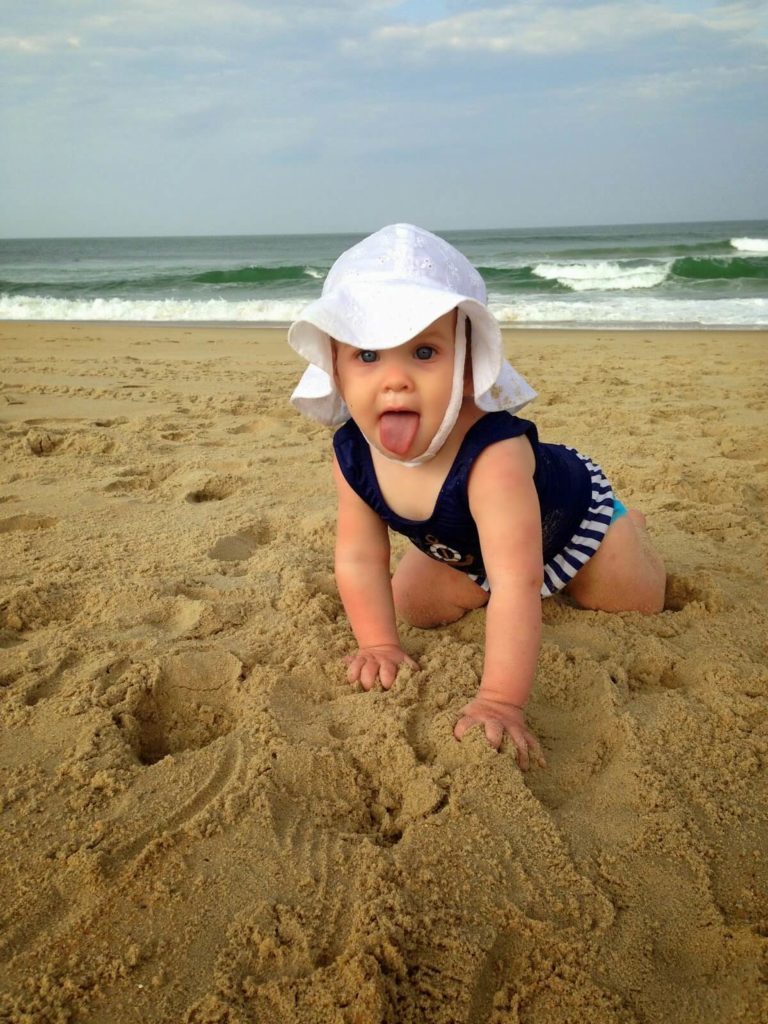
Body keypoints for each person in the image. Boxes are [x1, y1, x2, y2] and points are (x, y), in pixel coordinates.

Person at [288, 224, 666, 769]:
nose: (395, 381)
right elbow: (357, 555)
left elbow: (519, 580)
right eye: (367, 355)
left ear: (468, 367)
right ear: (335, 367)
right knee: (409, 608)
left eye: (423, 351)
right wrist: (379, 644)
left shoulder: (495, 456)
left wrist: (499, 700)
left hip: (569, 524)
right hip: (471, 546)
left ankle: (628, 525)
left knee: (634, 602)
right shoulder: (351, 455)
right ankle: (470, 558)